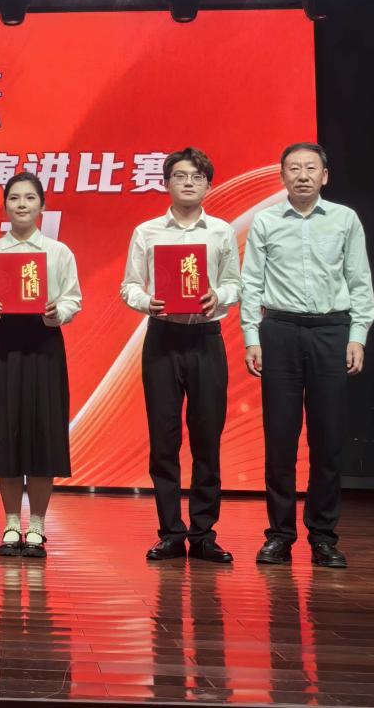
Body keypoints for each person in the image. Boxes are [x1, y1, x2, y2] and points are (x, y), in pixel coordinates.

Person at [242, 142, 374, 569]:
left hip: (331, 331)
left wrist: (357, 335)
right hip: (279, 331)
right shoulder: (266, 221)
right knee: (280, 440)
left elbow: (360, 281)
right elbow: (251, 284)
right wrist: (251, 337)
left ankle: (323, 536)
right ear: (282, 176)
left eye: (310, 168)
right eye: (294, 168)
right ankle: (279, 536)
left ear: (325, 176)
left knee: (328, 439)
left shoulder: (344, 219)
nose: (302, 175)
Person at [119, 147, 242, 564]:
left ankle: (203, 534)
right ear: (166, 183)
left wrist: (218, 296)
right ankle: (171, 532)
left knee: (207, 438)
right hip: (162, 339)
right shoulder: (147, 231)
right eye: (180, 176)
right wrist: (146, 302)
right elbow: (129, 285)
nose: (188, 183)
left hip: (206, 339)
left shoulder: (221, 231)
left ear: (208, 185)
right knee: (164, 439)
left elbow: (235, 283)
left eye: (197, 177)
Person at [0, 171, 81, 559]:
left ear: (42, 206)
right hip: (4, 346)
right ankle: (12, 521)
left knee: (43, 433)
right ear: (5, 206)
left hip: (45, 345)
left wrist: (57, 313)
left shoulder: (58, 252)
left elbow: (73, 299)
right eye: (14, 198)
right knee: (7, 432)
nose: (21, 204)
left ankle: (38, 525)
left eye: (29, 198)